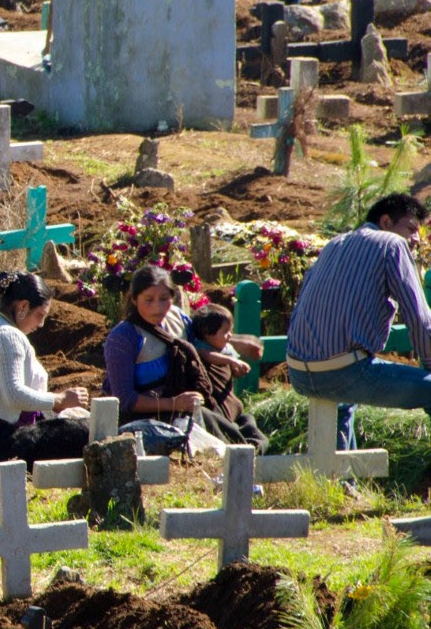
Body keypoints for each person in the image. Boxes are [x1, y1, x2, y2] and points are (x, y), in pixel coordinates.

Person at [286, 193, 431, 449]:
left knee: (344, 403)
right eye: (410, 228)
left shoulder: (334, 243)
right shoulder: (391, 244)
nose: (416, 238)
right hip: (343, 373)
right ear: (386, 222)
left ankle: (341, 484)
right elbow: (419, 319)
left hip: (298, 372)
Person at [103, 265, 268, 450]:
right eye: (148, 300)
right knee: (209, 422)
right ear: (134, 299)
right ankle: (240, 454)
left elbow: (201, 347)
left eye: (164, 299)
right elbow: (125, 399)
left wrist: (236, 346)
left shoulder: (177, 317)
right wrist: (174, 404)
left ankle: (247, 451)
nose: (157, 307)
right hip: (149, 417)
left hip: (187, 403)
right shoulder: (123, 337)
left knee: (241, 418)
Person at [0, 271, 90, 471]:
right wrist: (59, 399)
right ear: (23, 306)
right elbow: (14, 395)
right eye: (40, 315)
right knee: (84, 433)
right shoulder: (9, 336)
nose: (41, 324)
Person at [187, 304, 270, 452]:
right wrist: (232, 361)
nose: (230, 336)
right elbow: (209, 356)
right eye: (225, 332)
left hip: (234, 410)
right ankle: (240, 450)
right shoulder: (199, 348)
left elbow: (228, 369)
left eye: (230, 330)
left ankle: (254, 447)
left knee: (249, 423)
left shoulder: (225, 348)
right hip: (219, 412)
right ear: (207, 333)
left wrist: (235, 369)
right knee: (229, 432)